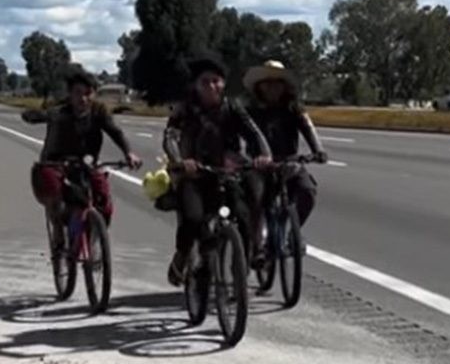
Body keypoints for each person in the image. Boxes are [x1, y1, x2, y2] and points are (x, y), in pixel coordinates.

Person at [162, 55, 272, 287]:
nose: (212, 86)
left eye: (216, 81)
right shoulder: (186, 108)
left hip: (226, 172)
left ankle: (242, 264)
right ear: (195, 85)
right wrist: (181, 161)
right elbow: (170, 136)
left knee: (243, 213)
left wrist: (263, 154)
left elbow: (253, 132)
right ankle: (182, 258)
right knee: (192, 219)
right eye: (205, 82)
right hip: (195, 174)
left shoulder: (232, 107)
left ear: (223, 83)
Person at [32, 67, 142, 227]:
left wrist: (129, 153)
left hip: (87, 164)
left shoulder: (99, 111)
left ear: (95, 93)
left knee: (102, 198)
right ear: (70, 94)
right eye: (78, 93)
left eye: (88, 93)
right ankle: (58, 235)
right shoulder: (60, 111)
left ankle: (97, 240)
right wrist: (36, 116)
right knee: (56, 199)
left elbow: (115, 132)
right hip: (58, 163)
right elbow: (35, 115)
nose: (83, 99)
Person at [244, 60, 328, 232]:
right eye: (267, 84)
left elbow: (308, 128)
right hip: (260, 167)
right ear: (259, 87)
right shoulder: (250, 111)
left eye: (277, 84)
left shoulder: (294, 109)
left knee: (308, 191)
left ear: (284, 87)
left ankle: (293, 233)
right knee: (255, 201)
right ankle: (256, 243)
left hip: (289, 164)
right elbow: (237, 137)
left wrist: (318, 151)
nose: (272, 88)